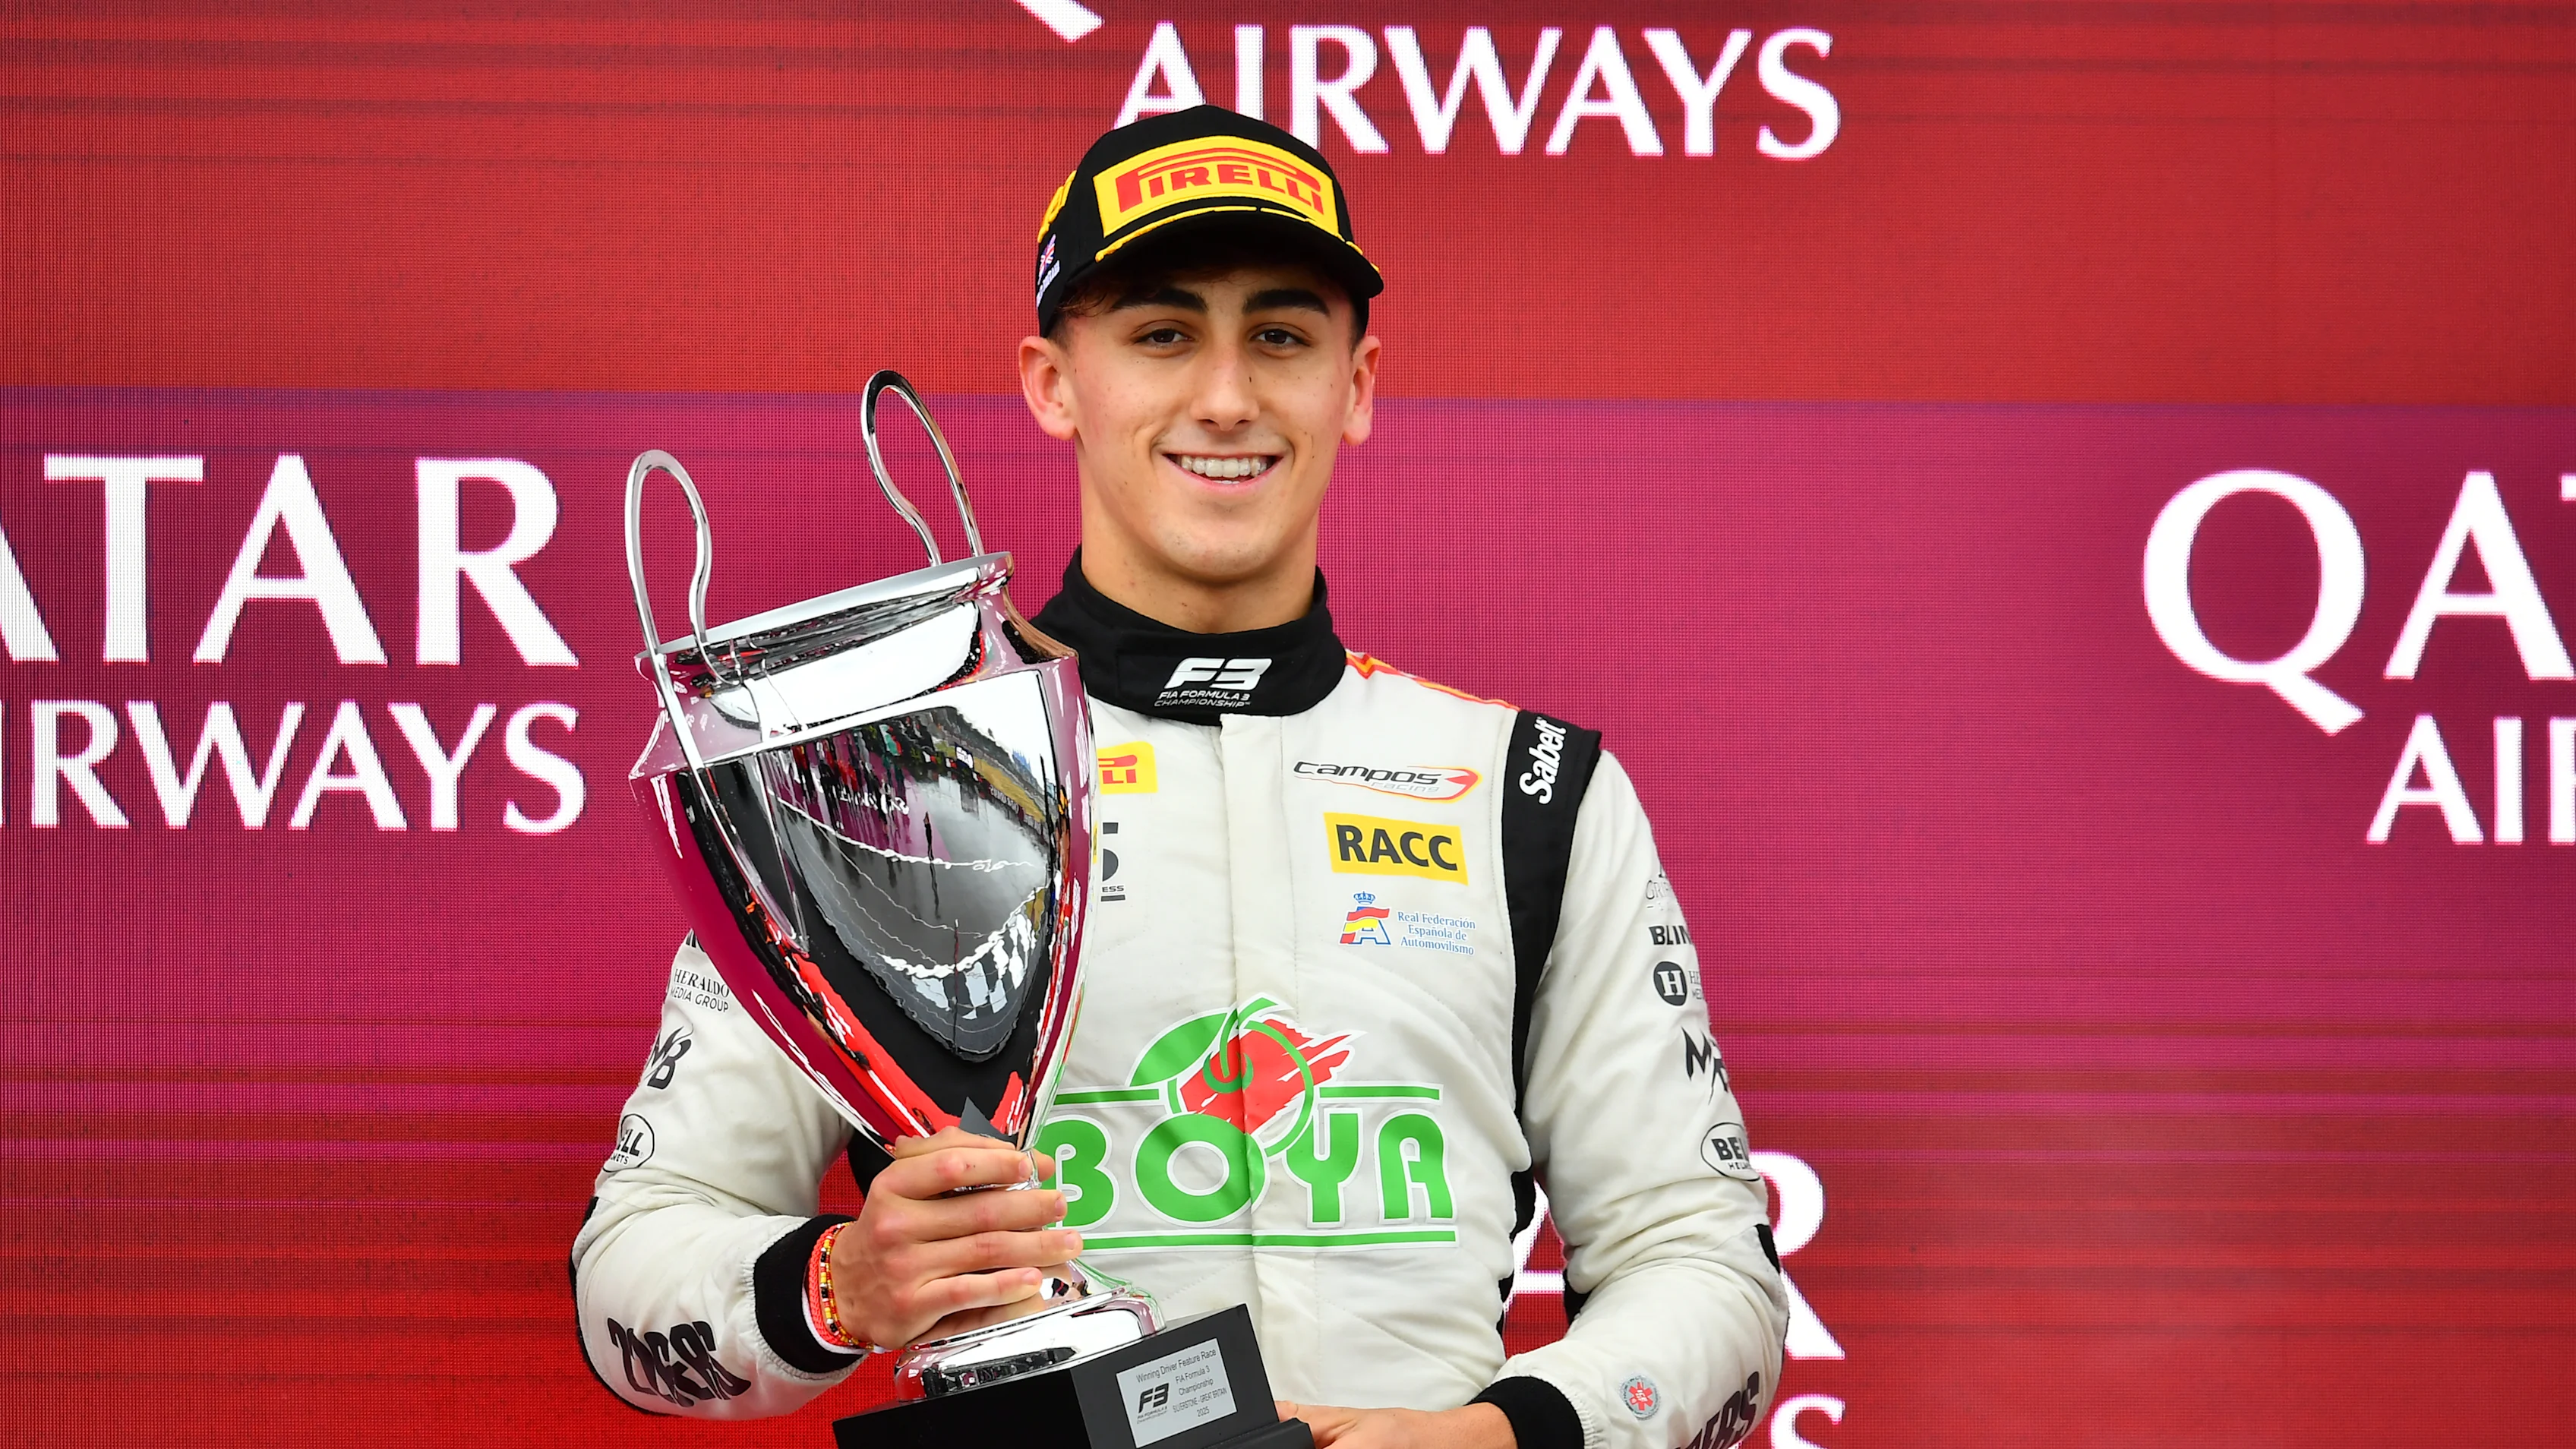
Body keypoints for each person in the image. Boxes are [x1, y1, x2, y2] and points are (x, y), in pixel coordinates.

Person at [572, 106, 1788, 1449]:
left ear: (1357, 383)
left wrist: (1504, 1439)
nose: (1226, 396)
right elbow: (630, 1276)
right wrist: (839, 1286)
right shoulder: (863, 780)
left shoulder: (1529, 788)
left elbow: (1709, 1263)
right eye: (1160, 333)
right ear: (1051, 381)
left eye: (1281, 334)